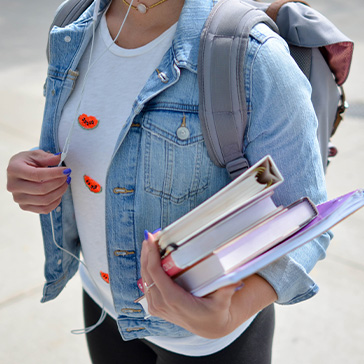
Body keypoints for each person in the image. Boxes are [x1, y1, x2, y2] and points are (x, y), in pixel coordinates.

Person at [6, 0, 332, 362]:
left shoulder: (252, 56)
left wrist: (230, 315)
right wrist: (35, 172)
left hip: (208, 344)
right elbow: (90, 140)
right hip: (103, 307)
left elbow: (306, 216)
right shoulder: (72, 24)